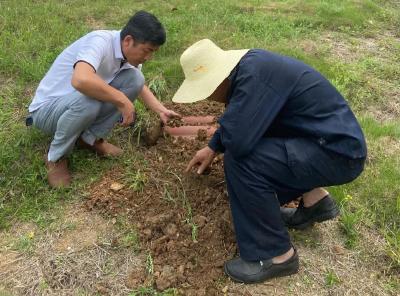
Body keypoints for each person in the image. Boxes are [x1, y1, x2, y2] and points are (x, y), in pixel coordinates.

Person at [172, 39, 367, 284]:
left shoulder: (255, 80)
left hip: (337, 154)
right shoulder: (252, 68)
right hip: (329, 143)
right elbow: (247, 118)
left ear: (220, 79)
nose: (210, 98)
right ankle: (315, 202)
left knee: (241, 161)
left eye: (208, 90)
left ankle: (275, 254)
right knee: (261, 133)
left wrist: (222, 145)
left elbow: (239, 141)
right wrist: (212, 147)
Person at [28, 11, 178, 188]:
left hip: (75, 104)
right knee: (88, 101)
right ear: (128, 40)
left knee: (135, 78)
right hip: (47, 111)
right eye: (147, 51)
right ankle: (56, 157)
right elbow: (80, 80)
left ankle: (88, 139)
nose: (148, 57)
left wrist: (161, 110)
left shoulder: (127, 53)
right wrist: (121, 99)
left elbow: (139, 86)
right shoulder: (99, 41)